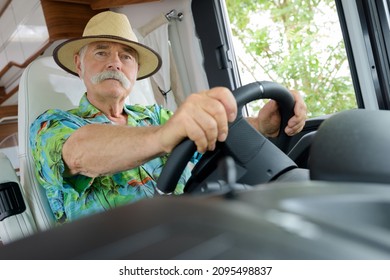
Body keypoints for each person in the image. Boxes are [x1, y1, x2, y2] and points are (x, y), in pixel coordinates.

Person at [30, 11, 306, 223]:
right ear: (79, 64)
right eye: (101, 52)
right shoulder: (51, 124)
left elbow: (209, 130)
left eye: (126, 56)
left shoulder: (155, 116)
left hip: (199, 230)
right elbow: (79, 153)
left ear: (135, 71)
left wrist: (262, 126)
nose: (115, 62)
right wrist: (164, 135)